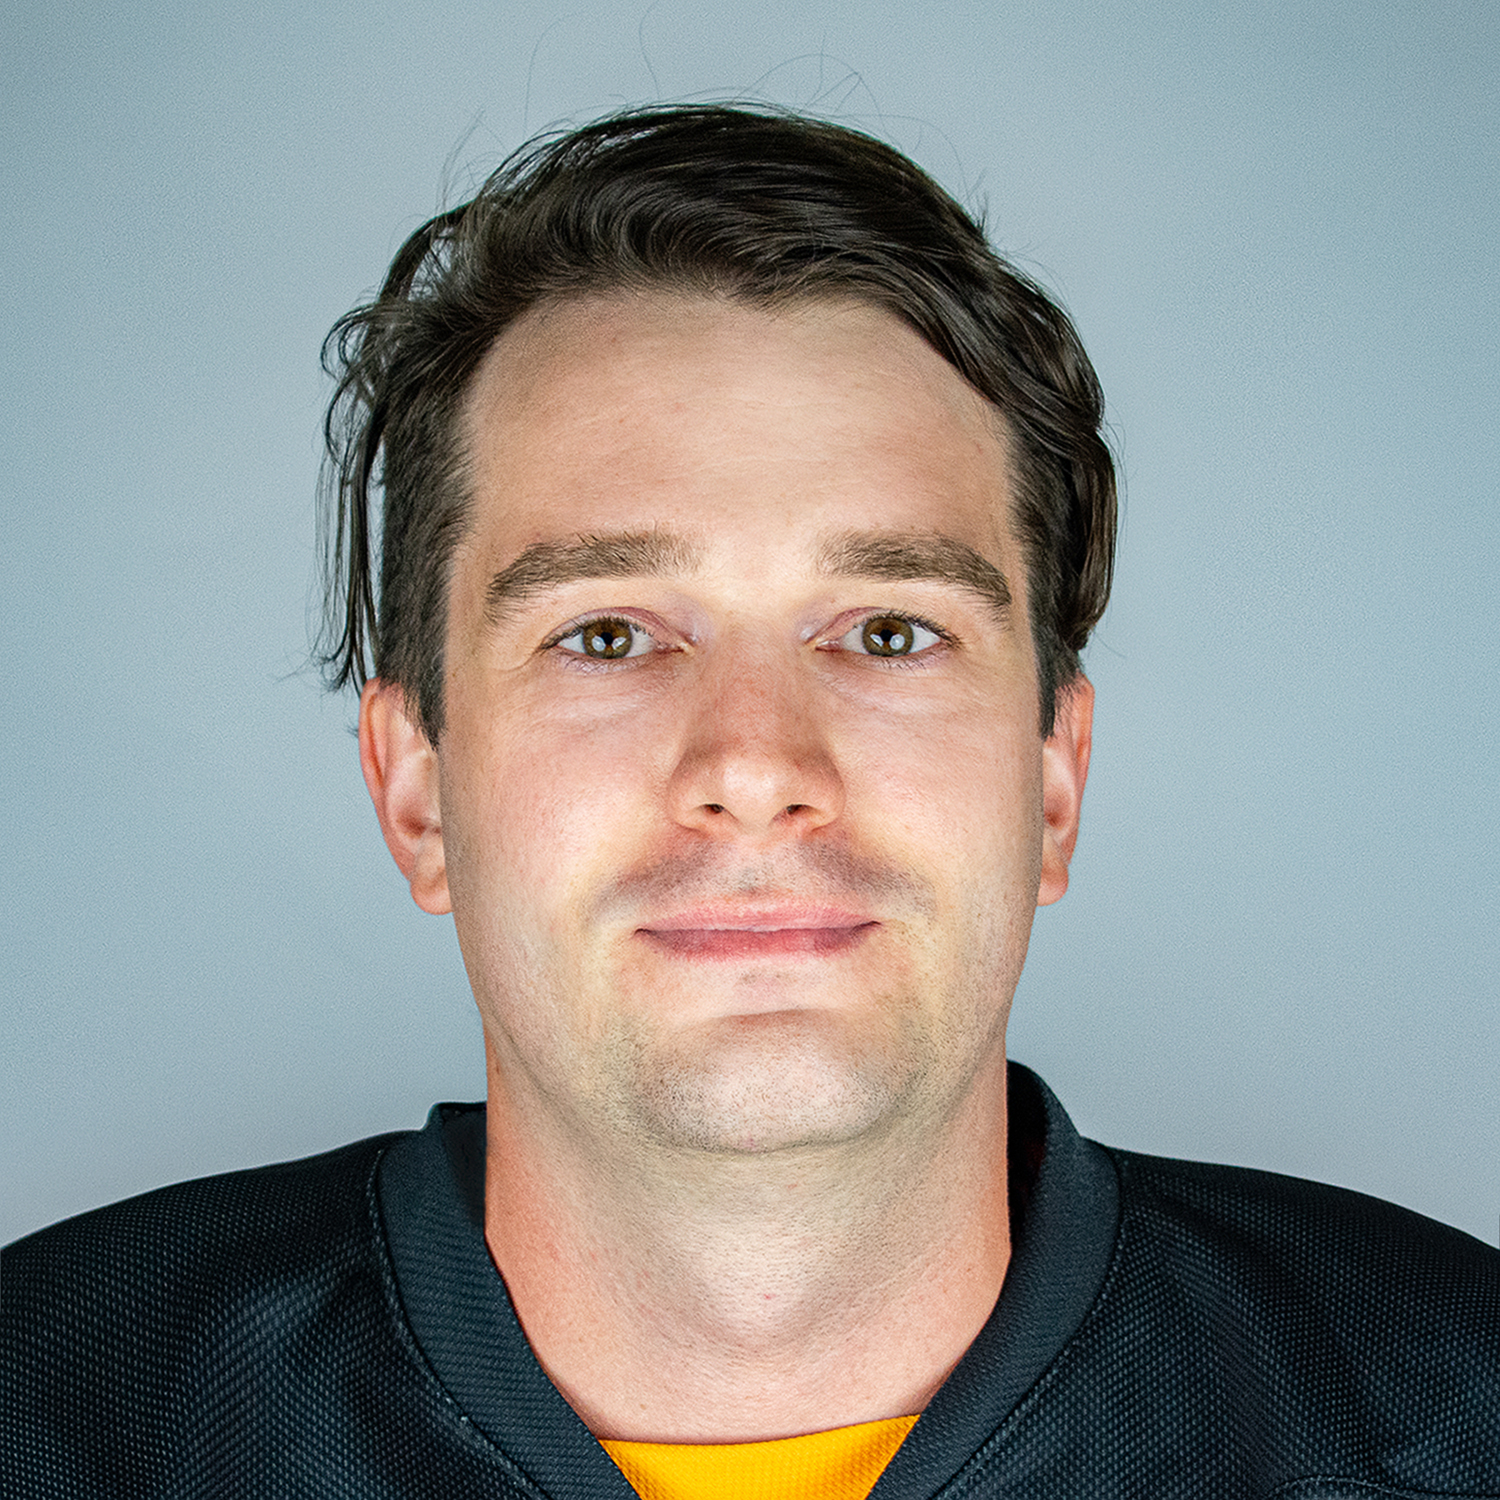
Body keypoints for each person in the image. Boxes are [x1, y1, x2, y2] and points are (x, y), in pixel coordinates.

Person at [3, 103, 1496, 1500]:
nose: (757, 765)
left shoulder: (1456, 1405)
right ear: (418, 794)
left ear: (1053, 780)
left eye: (890, 632)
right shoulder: (53, 1414)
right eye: (607, 635)